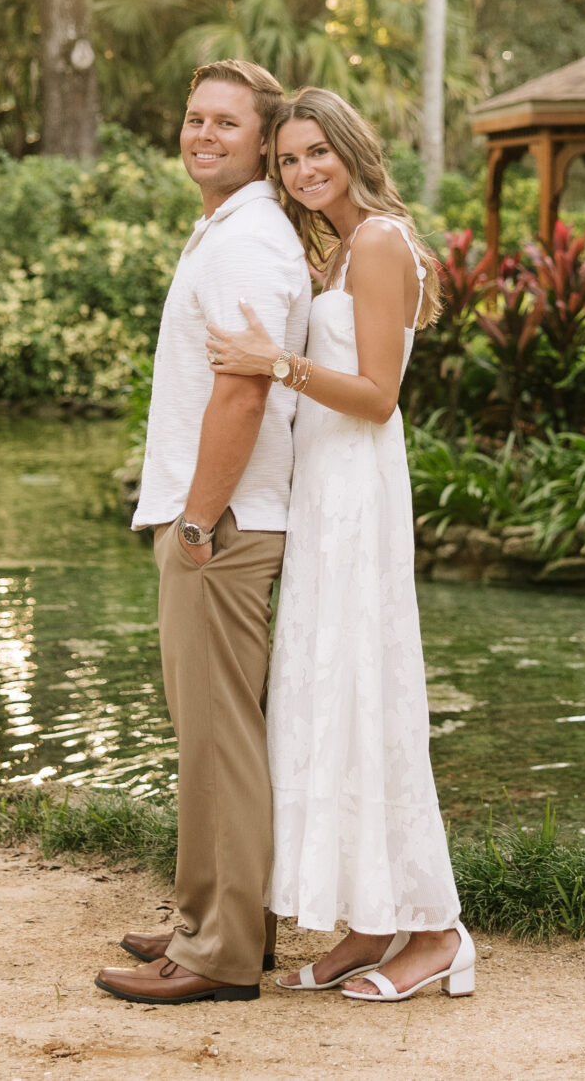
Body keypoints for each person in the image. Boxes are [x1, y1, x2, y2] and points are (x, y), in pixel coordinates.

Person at [204, 88, 474, 1003]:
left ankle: (435, 930)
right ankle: (368, 922)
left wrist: (269, 361)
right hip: (326, 494)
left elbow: (376, 394)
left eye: (317, 151)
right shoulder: (341, 249)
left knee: (372, 693)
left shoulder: (384, 242)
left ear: (352, 148)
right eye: (287, 159)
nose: (303, 170)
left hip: (359, 492)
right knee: (331, 695)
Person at [93, 59, 311, 1006]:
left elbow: (245, 384)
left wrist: (198, 515)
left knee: (217, 736)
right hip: (222, 517)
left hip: (222, 525)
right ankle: (208, 916)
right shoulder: (228, 229)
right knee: (211, 733)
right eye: (193, 118)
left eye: (225, 121)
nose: (203, 134)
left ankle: (220, 953)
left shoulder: (247, 240)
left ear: (262, 139)